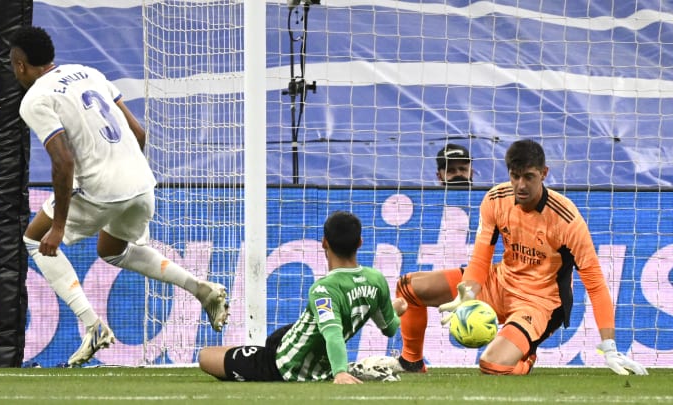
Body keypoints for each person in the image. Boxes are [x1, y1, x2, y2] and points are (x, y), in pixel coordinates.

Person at [9, 26, 230, 367]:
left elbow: (63, 161)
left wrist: (60, 226)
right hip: (142, 181)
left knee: (34, 239)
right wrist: (125, 177)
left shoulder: (35, 99)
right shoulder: (90, 73)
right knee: (111, 250)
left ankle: (92, 326)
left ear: (21, 64)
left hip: (101, 186)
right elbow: (138, 132)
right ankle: (202, 289)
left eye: (13, 65)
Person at [394, 139, 647, 375]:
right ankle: (411, 362)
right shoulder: (496, 199)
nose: (521, 185)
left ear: (544, 174)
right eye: (515, 177)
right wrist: (468, 293)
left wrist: (610, 347)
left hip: (540, 302)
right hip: (501, 282)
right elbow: (481, 259)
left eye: (529, 177)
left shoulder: (567, 219)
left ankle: (526, 356)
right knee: (409, 287)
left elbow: (595, 284)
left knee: (491, 365)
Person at [198, 211, 408, 384]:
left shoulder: (324, 289)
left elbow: (333, 334)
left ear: (324, 243)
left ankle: (353, 369)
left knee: (205, 356)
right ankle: (350, 368)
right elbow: (389, 327)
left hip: (284, 367)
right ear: (360, 242)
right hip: (303, 347)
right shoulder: (376, 279)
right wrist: (396, 308)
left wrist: (340, 372)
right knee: (277, 336)